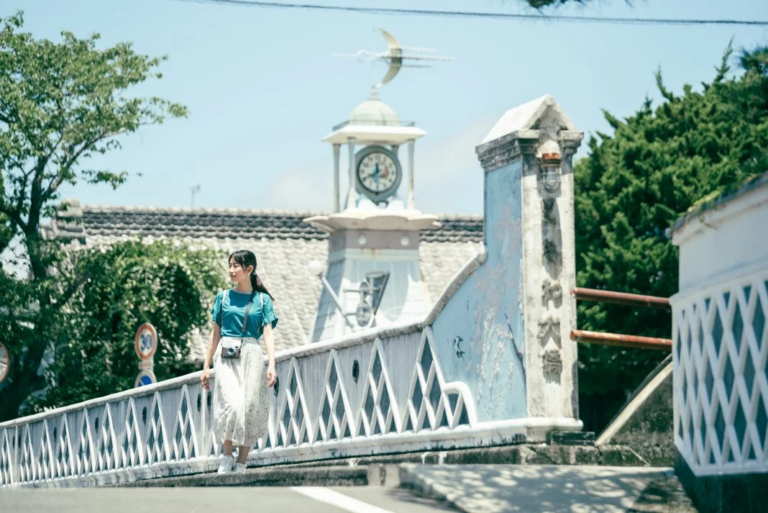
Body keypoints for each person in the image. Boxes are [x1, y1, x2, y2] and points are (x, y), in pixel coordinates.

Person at [200, 250, 278, 474]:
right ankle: (226, 455)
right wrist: (205, 367)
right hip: (226, 354)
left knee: (249, 407)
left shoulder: (263, 301)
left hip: (252, 354)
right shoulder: (222, 297)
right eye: (230, 265)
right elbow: (214, 334)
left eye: (236, 266)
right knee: (231, 404)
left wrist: (271, 364)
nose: (231, 270)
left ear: (249, 270)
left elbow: (268, 333)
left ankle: (242, 462)